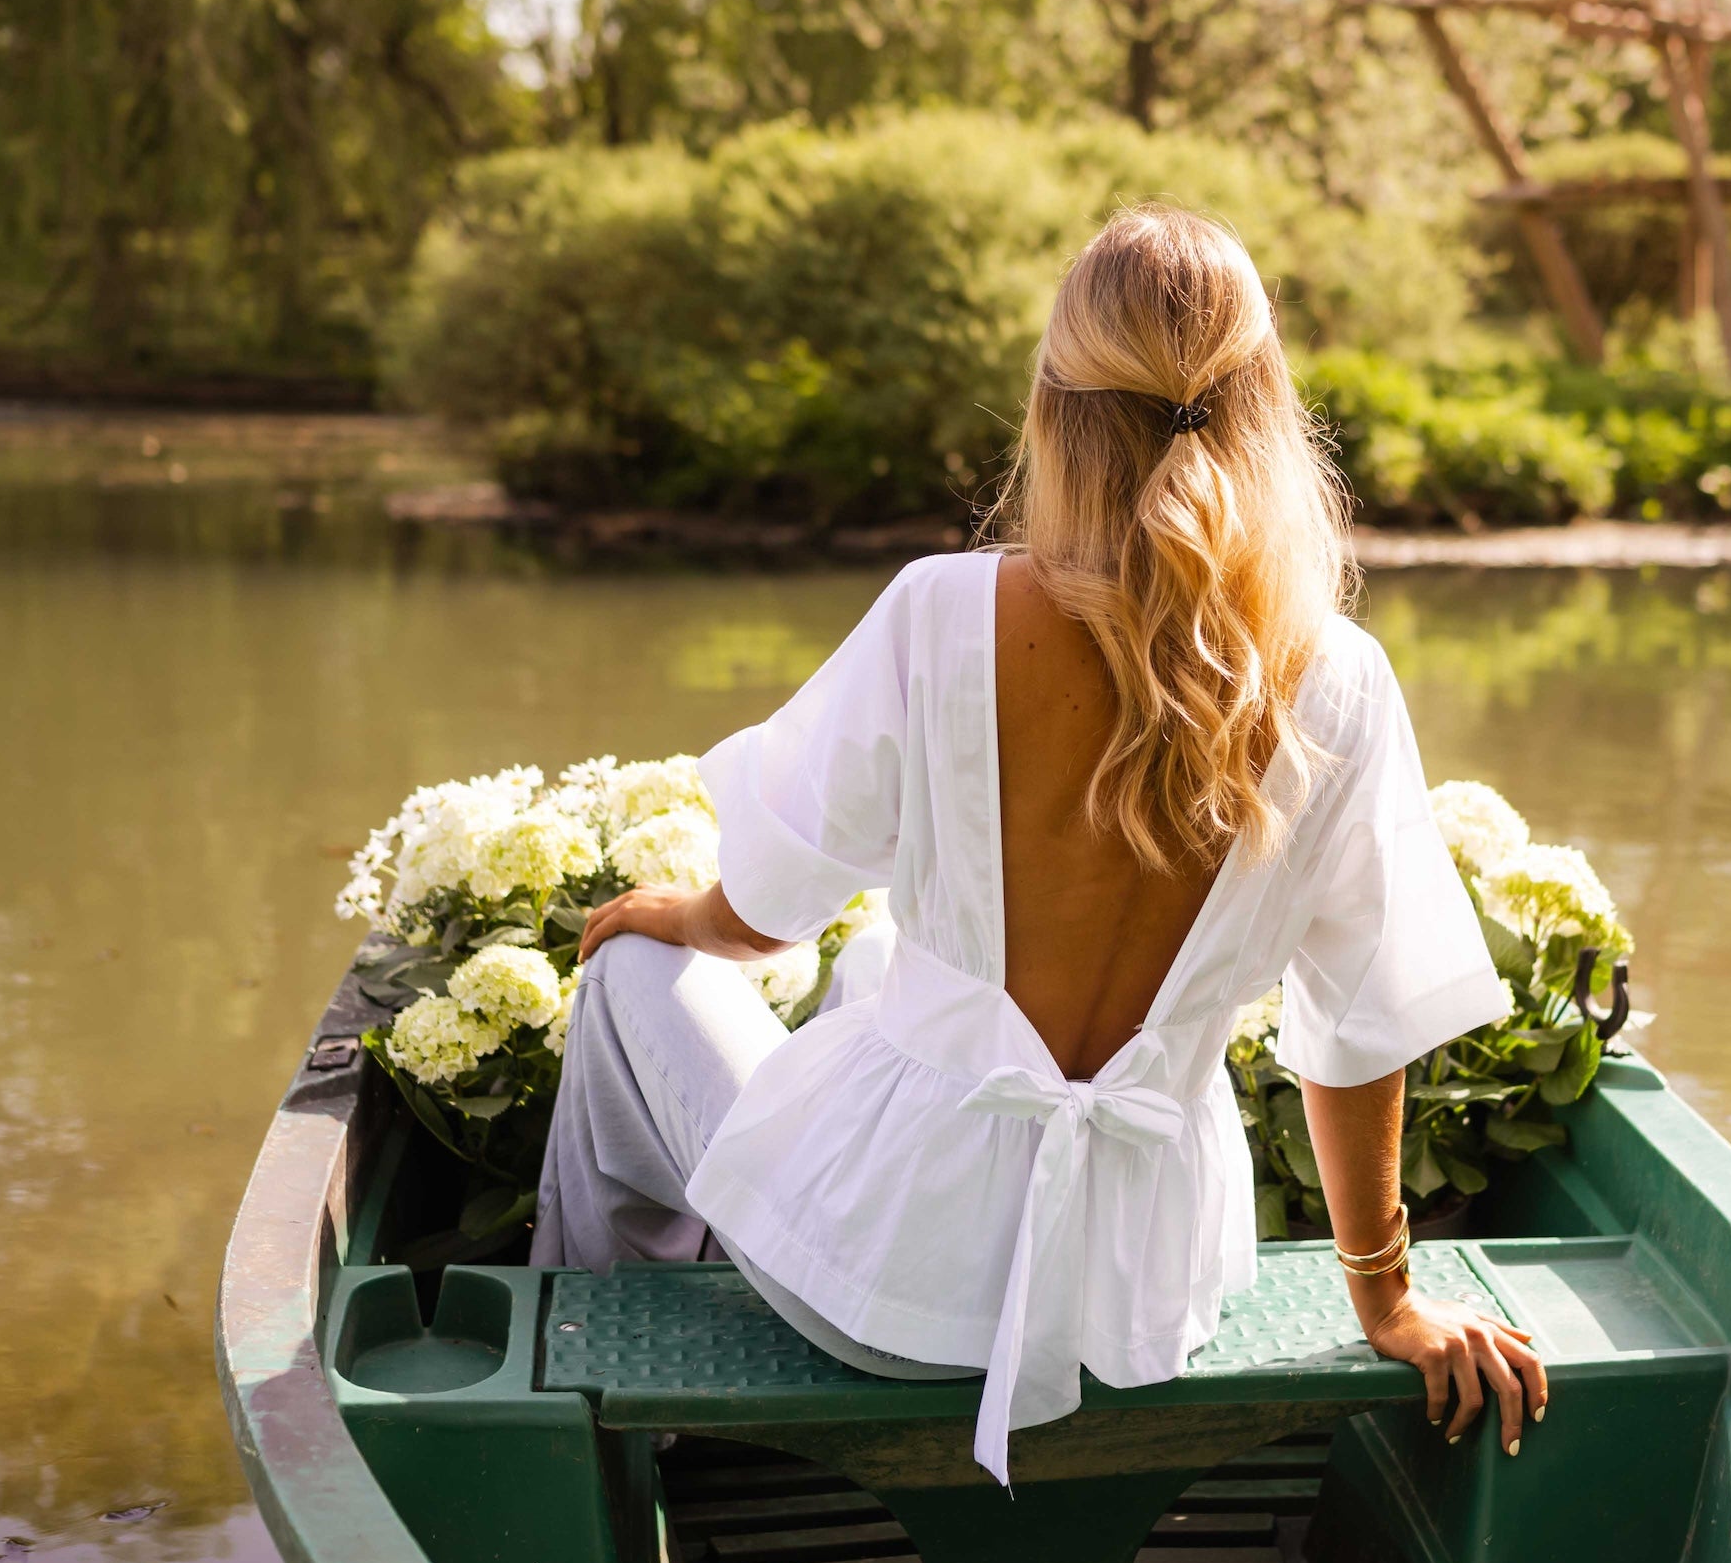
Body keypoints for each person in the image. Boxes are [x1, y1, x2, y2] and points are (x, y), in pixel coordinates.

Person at [532, 204, 1546, 1484]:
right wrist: (1387, 1299)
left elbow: (771, 908)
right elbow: (1361, 1029)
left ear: (1056, 411)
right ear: (1265, 407)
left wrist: (681, 917)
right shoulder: (1340, 680)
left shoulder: (942, 616)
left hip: (885, 1291)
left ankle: (595, 1417)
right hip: (1137, 1304)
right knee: (889, 958)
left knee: (634, 978)